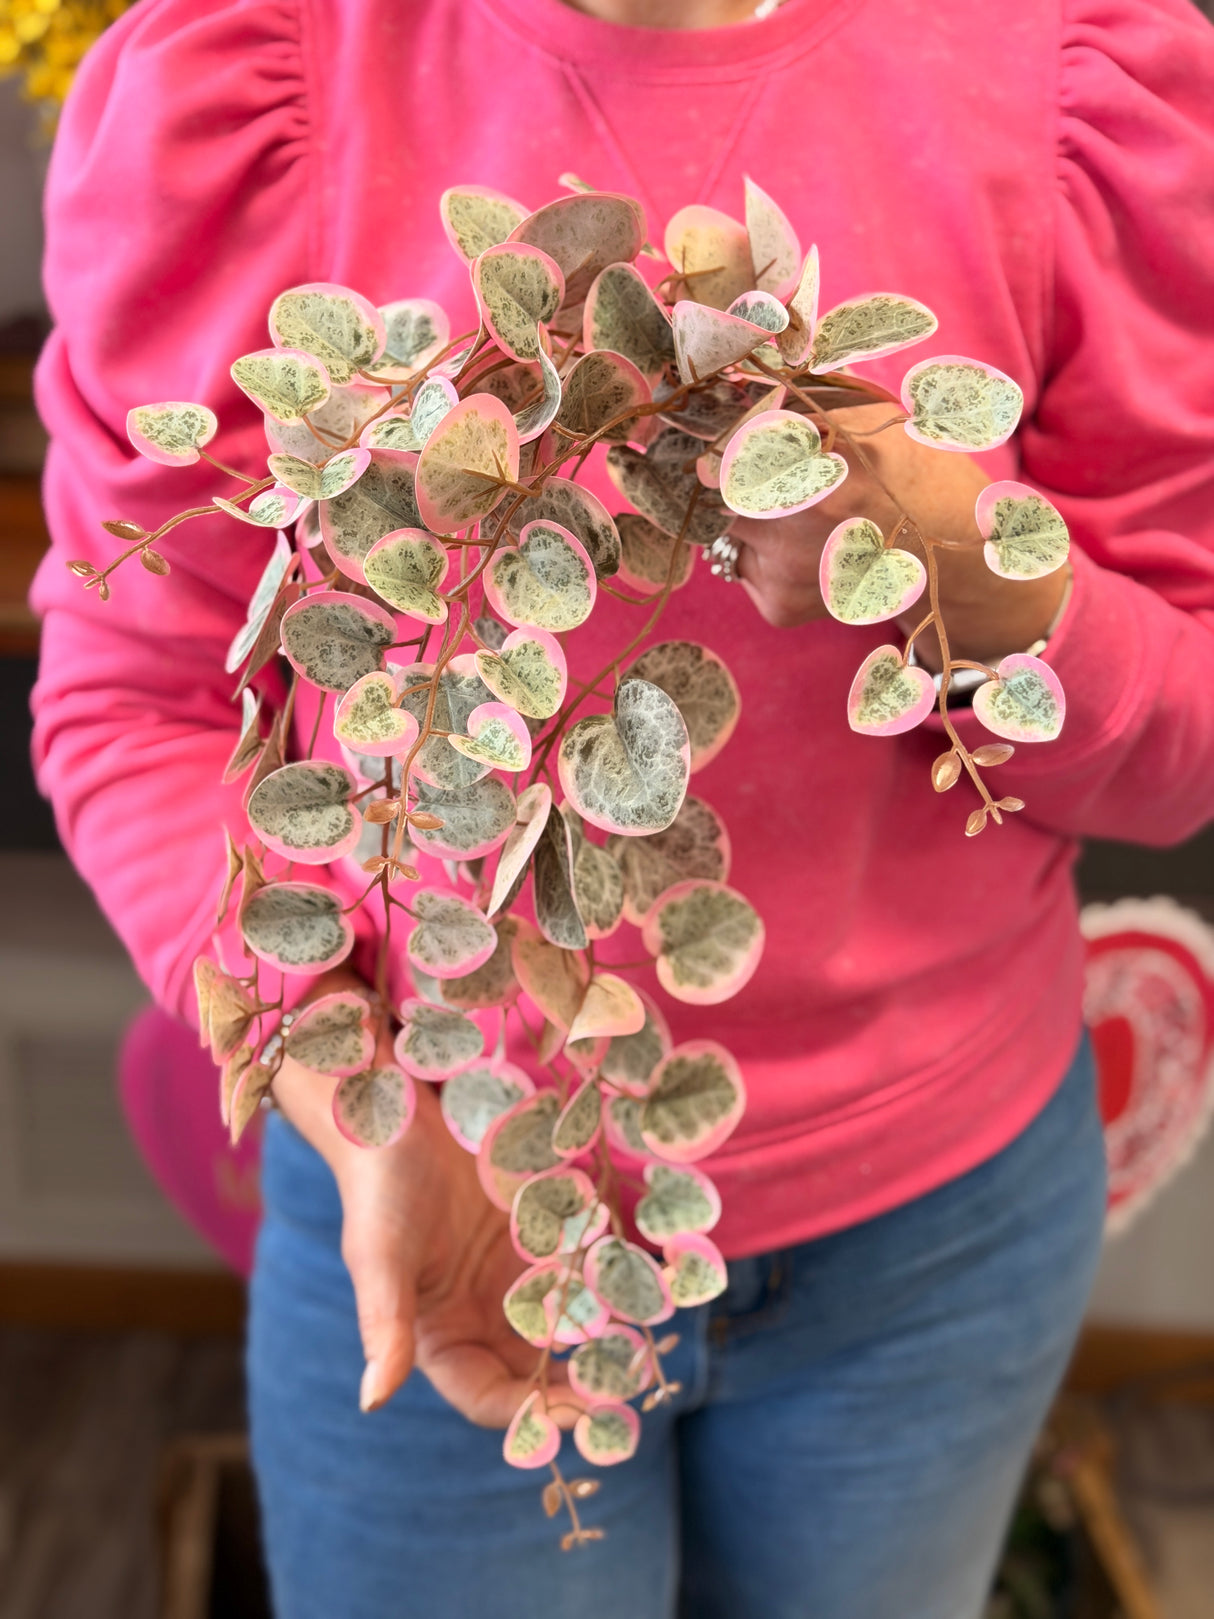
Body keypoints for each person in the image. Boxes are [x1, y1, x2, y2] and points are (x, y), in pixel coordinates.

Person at [29, 0, 1214, 1613]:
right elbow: (135, 695)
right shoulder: (251, 77)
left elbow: (1180, 752)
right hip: (451, 1205)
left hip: (935, 1248)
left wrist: (960, 562)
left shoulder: (1081, 75)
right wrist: (336, 1076)